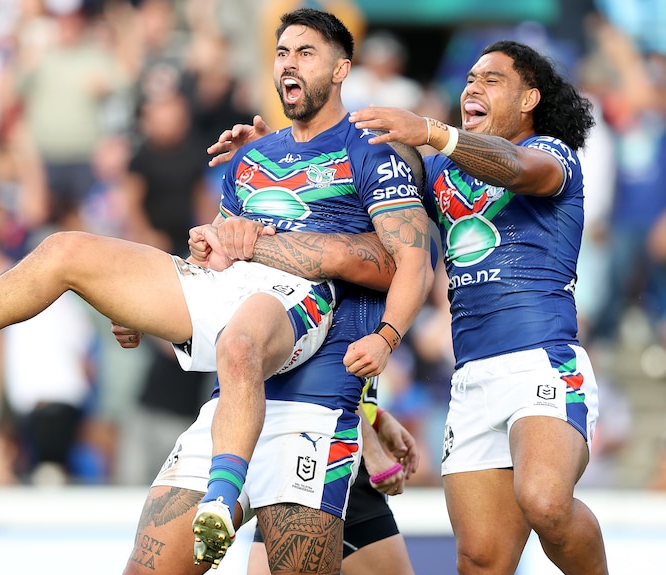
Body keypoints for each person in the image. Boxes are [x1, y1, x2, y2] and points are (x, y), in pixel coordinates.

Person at [0, 8, 434, 571]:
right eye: (282, 52)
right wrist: (151, 306)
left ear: (340, 68)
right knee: (66, 249)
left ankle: (223, 497)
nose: (289, 64)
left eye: (306, 52)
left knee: (243, 342)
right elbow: (224, 264)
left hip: (314, 398)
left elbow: (398, 264)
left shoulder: (372, 150)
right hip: (238, 398)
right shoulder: (252, 158)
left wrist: (382, 352)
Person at [212, 38, 608, 574]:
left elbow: (514, 167)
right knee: (480, 561)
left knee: (544, 500)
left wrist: (430, 131)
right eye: (470, 79)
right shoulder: (441, 175)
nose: (473, 86)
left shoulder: (553, 156)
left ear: (529, 99)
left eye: (492, 80)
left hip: (541, 361)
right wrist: (284, 153)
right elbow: (366, 211)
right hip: (469, 381)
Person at [248, 379, 419, 575]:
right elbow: (333, 375)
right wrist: (373, 452)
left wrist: (377, 417)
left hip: (298, 453)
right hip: (333, 457)